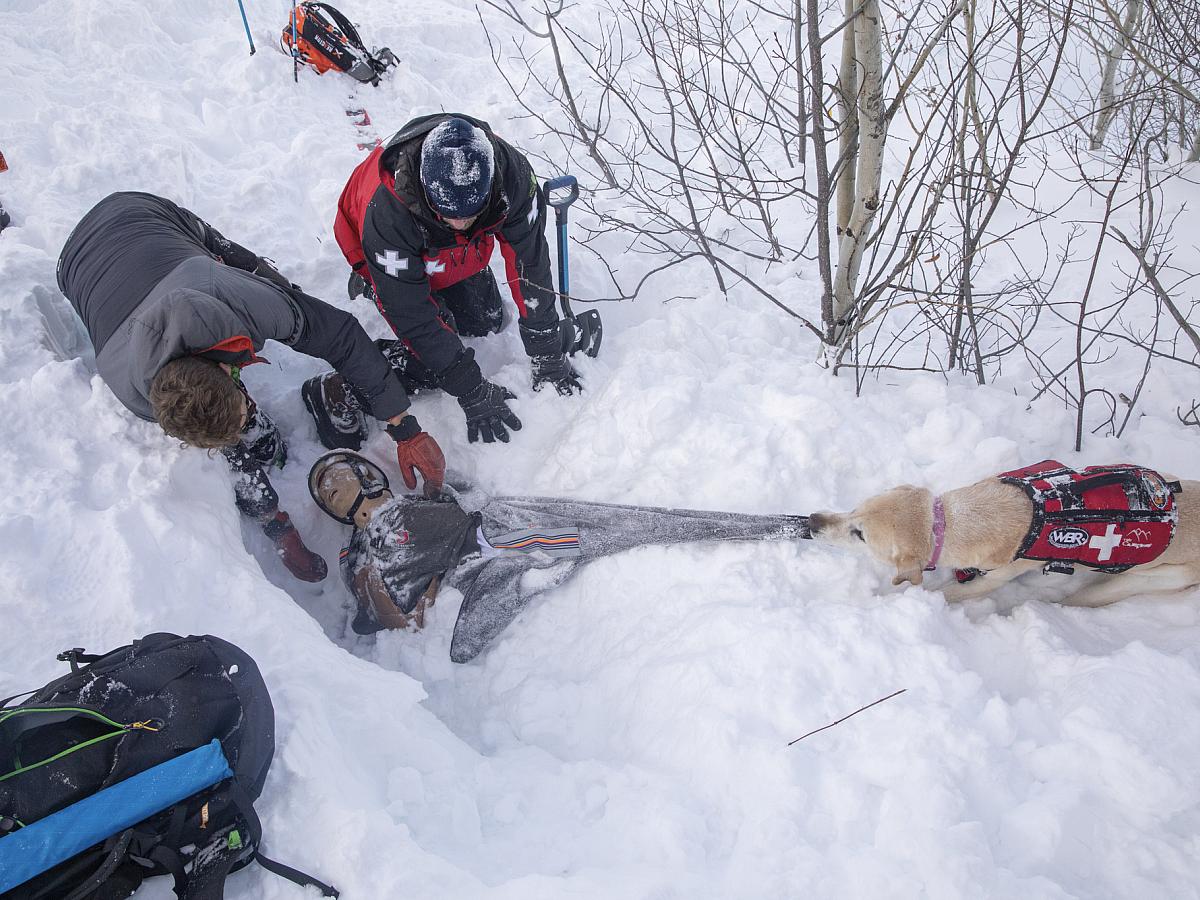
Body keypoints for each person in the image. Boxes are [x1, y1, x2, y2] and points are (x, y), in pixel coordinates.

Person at [57, 191, 447, 581]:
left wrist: (403, 426)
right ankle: (255, 430)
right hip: (72, 267)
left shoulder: (239, 300)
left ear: (228, 371)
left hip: (141, 213)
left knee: (248, 268)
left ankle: (279, 287)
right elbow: (224, 449)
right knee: (229, 426)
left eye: (241, 406)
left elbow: (339, 335)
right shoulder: (136, 393)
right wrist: (278, 526)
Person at [307, 451, 812, 661]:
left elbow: (468, 499)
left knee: (631, 524)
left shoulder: (416, 504)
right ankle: (525, 577)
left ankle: (783, 527)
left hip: (499, 527)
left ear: (368, 473)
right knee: (623, 530)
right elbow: (375, 621)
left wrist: (442, 485)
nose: (339, 489)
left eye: (343, 477)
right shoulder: (360, 560)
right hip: (487, 562)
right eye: (329, 493)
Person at [325, 113, 583, 446]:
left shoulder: (513, 178)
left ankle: (441, 272)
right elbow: (412, 315)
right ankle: (348, 384)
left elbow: (529, 261)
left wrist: (547, 348)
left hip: (451, 254)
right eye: (450, 214)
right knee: (435, 362)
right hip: (379, 246)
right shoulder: (387, 212)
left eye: (470, 214)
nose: (460, 223)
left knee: (486, 320)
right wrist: (469, 388)